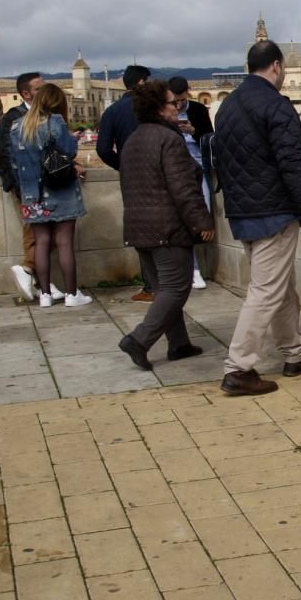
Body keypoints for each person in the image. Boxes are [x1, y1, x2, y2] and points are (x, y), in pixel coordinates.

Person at [212, 39, 301, 396]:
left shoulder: (227, 107)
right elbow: (293, 165)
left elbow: (223, 162)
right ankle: (239, 368)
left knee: (280, 287)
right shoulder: (277, 107)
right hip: (273, 213)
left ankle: (296, 353)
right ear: (277, 66)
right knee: (265, 291)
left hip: (243, 212)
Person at [116, 80, 215, 371]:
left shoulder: (133, 140)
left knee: (163, 289)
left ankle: (179, 343)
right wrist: (201, 221)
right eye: (173, 103)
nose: (178, 107)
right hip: (166, 228)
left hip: (139, 226)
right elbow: (183, 188)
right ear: (160, 108)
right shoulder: (169, 139)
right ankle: (139, 340)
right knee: (176, 287)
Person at [8, 83, 93, 308]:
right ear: (57, 103)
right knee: (64, 242)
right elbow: (69, 152)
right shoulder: (56, 123)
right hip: (60, 191)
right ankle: (72, 294)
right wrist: (73, 138)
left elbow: (14, 163)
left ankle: (45, 294)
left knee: (41, 241)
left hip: (31, 195)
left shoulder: (17, 126)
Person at [0, 72, 65, 302]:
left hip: (43, 183)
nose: (43, 92)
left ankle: (38, 279)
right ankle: (29, 271)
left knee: (44, 232)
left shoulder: (42, 115)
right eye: (38, 89)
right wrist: (17, 186)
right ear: (25, 93)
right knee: (39, 232)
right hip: (28, 185)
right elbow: (2, 153)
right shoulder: (13, 118)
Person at [97, 64, 159, 303]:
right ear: (142, 83)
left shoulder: (112, 112)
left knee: (141, 229)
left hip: (132, 179)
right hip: (159, 170)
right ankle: (170, 281)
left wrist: (122, 165)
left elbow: (103, 149)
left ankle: (151, 286)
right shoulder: (154, 107)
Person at [168, 76, 214, 289]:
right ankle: (193, 269)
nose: (178, 104)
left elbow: (210, 137)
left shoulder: (197, 110)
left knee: (203, 211)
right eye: (175, 101)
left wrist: (194, 132)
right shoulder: (166, 112)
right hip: (178, 169)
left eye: (181, 100)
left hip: (199, 167)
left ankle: (195, 268)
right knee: (184, 217)